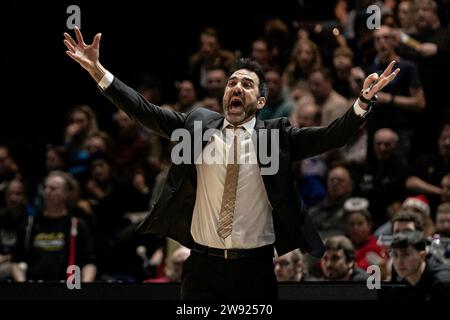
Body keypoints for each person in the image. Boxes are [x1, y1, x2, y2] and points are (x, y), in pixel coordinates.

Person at [63, 27, 399, 300]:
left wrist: (362, 102)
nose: (236, 87)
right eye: (231, 82)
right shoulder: (196, 127)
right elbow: (143, 110)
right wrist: (98, 72)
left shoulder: (275, 137)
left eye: (246, 84)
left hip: (254, 269)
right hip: (202, 268)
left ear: (262, 100)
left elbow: (331, 136)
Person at [390, 231, 450, 300]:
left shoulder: (443, 282)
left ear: (422, 256)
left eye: (406, 254)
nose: (399, 262)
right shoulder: (399, 281)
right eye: (395, 255)